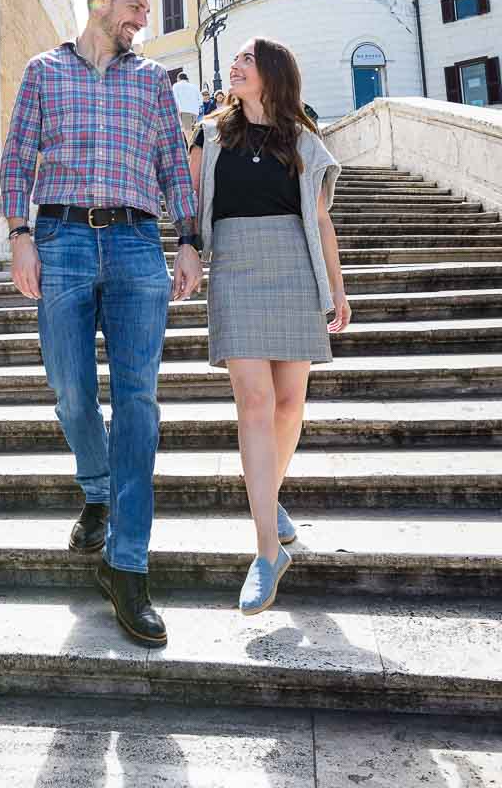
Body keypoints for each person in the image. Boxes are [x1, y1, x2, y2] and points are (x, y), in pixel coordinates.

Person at [0, 0, 204, 647]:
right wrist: (20, 238)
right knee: (71, 392)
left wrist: (189, 241)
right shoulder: (42, 72)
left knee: (138, 401)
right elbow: (17, 157)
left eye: (145, 11)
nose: (143, 19)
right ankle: (96, 487)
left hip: (139, 243)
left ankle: (128, 566)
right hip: (60, 240)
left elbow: (175, 162)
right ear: (100, 2)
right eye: (136, 7)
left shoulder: (150, 81)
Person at [189, 36, 351, 616]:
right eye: (233, 60)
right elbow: (188, 206)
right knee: (254, 403)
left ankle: (269, 496)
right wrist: (187, 251)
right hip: (235, 264)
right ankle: (265, 552)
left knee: (288, 405)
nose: (234, 66)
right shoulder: (210, 135)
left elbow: (322, 220)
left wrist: (337, 287)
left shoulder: (304, 140)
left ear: (272, 75)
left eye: (246, 61)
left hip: (294, 266)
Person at [172, 71, 203, 144]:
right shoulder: (194, 86)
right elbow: (200, 99)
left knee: (188, 134)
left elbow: (175, 99)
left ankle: (191, 151)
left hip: (184, 111)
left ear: (178, 78)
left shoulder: (176, 86)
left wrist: (178, 111)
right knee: (194, 133)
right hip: (195, 112)